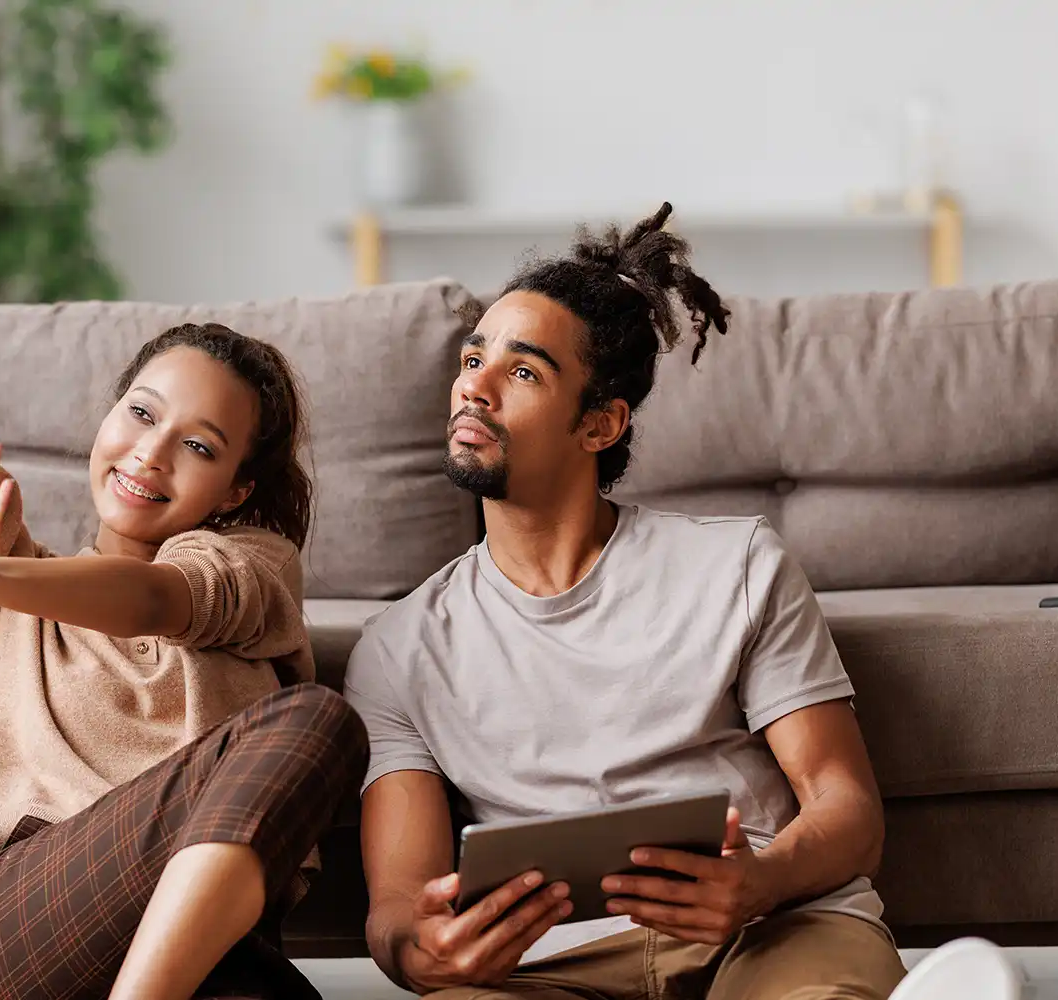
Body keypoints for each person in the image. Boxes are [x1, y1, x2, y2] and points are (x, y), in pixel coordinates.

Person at [0, 15, 365, 1000]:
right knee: (316, 721)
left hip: (200, 949)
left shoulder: (249, 569)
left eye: (197, 446)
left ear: (236, 486)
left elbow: (158, 601)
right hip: (31, 922)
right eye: (140, 414)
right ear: (107, 417)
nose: (150, 454)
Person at [346, 203, 921, 999]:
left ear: (600, 425)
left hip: (770, 928)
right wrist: (420, 949)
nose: (474, 387)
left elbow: (848, 810)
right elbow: (397, 905)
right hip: (546, 967)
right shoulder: (397, 647)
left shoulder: (735, 565)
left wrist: (758, 882)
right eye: (473, 358)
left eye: (521, 372)